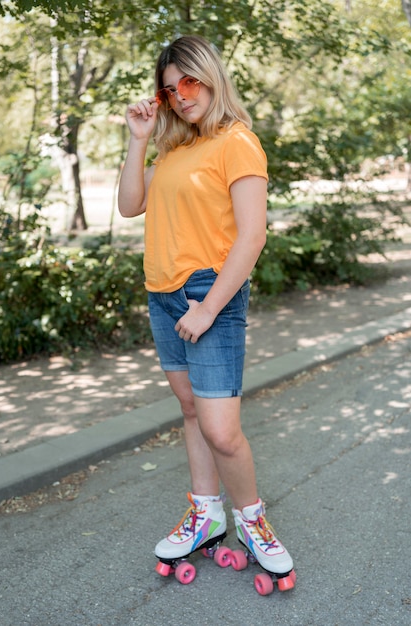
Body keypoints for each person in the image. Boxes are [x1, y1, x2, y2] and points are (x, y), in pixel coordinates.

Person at [118, 34, 294, 584]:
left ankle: (255, 523)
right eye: (169, 90)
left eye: (188, 81)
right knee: (192, 411)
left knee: (221, 430)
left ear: (210, 75)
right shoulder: (173, 147)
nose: (180, 95)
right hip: (162, 292)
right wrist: (139, 139)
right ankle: (205, 516)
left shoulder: (237, 142)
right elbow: (129, 206)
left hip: (206, 294)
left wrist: (208, 307)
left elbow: (252, 237)